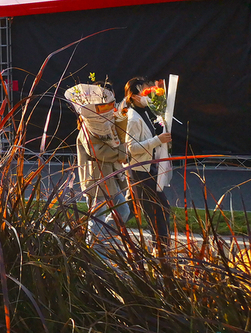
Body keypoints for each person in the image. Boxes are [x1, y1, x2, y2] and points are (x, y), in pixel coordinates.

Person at [65, 83, 131, 245]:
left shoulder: (104, 126)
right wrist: (121, 152)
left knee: (123, 210)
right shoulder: (88, 129)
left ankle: (100, 242)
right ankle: (95, 251)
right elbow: (98, 152)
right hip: (96, 180)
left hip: (110, 178)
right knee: (97, 218)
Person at [124, 77, 173, 256]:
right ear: (135, 96)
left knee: (128, 209)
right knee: (159, 209)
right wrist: (157, 140)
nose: (149, 94)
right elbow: (131, 148)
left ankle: (100, 229)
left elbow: (150, 141)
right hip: (139, 170)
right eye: (145, 92)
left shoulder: (146, 113)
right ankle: (160, 250)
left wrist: (162, 140)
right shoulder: (133, 118)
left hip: (148, 168)